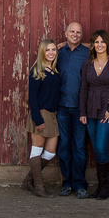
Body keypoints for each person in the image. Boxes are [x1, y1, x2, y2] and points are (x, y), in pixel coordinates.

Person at [79, 29, 109, 200]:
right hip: (90, 110)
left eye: (102, 42)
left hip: (107, 110)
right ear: (93, 45)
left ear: (107, 44)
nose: (99, 45)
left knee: (100, 147)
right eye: (96, 42)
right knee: (96, 149)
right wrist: (82, 112)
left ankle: (105, 187)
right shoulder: (87, 64)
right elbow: (83, 89)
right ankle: (100, 187)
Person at [56, 22, 91, 198]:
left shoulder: (87, 53)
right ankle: (66, 183)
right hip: (61, 106)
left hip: (80, 108)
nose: (75, 34)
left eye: (78, 32)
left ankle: (80, 185)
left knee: (79, 147)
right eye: (72, 31)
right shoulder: (57, 53)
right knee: (63, 146)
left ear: (82, 35)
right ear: (66, 33)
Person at [24, 38, 62, 198]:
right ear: (42, 52)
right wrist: (38, 120)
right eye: (48, 50)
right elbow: (32, 98)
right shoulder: (37, 71)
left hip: (53, 115)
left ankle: (28, 180)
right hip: (40, 114)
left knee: (50, 152)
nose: (51, 53)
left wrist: (66, 44)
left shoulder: (55, 70)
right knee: (37, 150)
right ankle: (39, 187)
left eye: (54, 50)